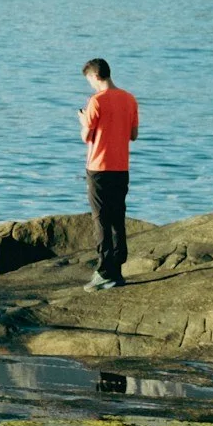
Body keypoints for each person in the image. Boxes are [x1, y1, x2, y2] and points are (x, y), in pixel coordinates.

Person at [78, 57, 139, 289]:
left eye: (89, 80)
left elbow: (87, 137)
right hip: (121, 167)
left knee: (101, 219)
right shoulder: (129, 98)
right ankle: (117, 270)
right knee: (117, 217)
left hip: (99, 167)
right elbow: (133, 135)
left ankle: (104, 271)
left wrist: (84, 121)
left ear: (95, 76)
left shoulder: (96, 101)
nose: (90, 85)